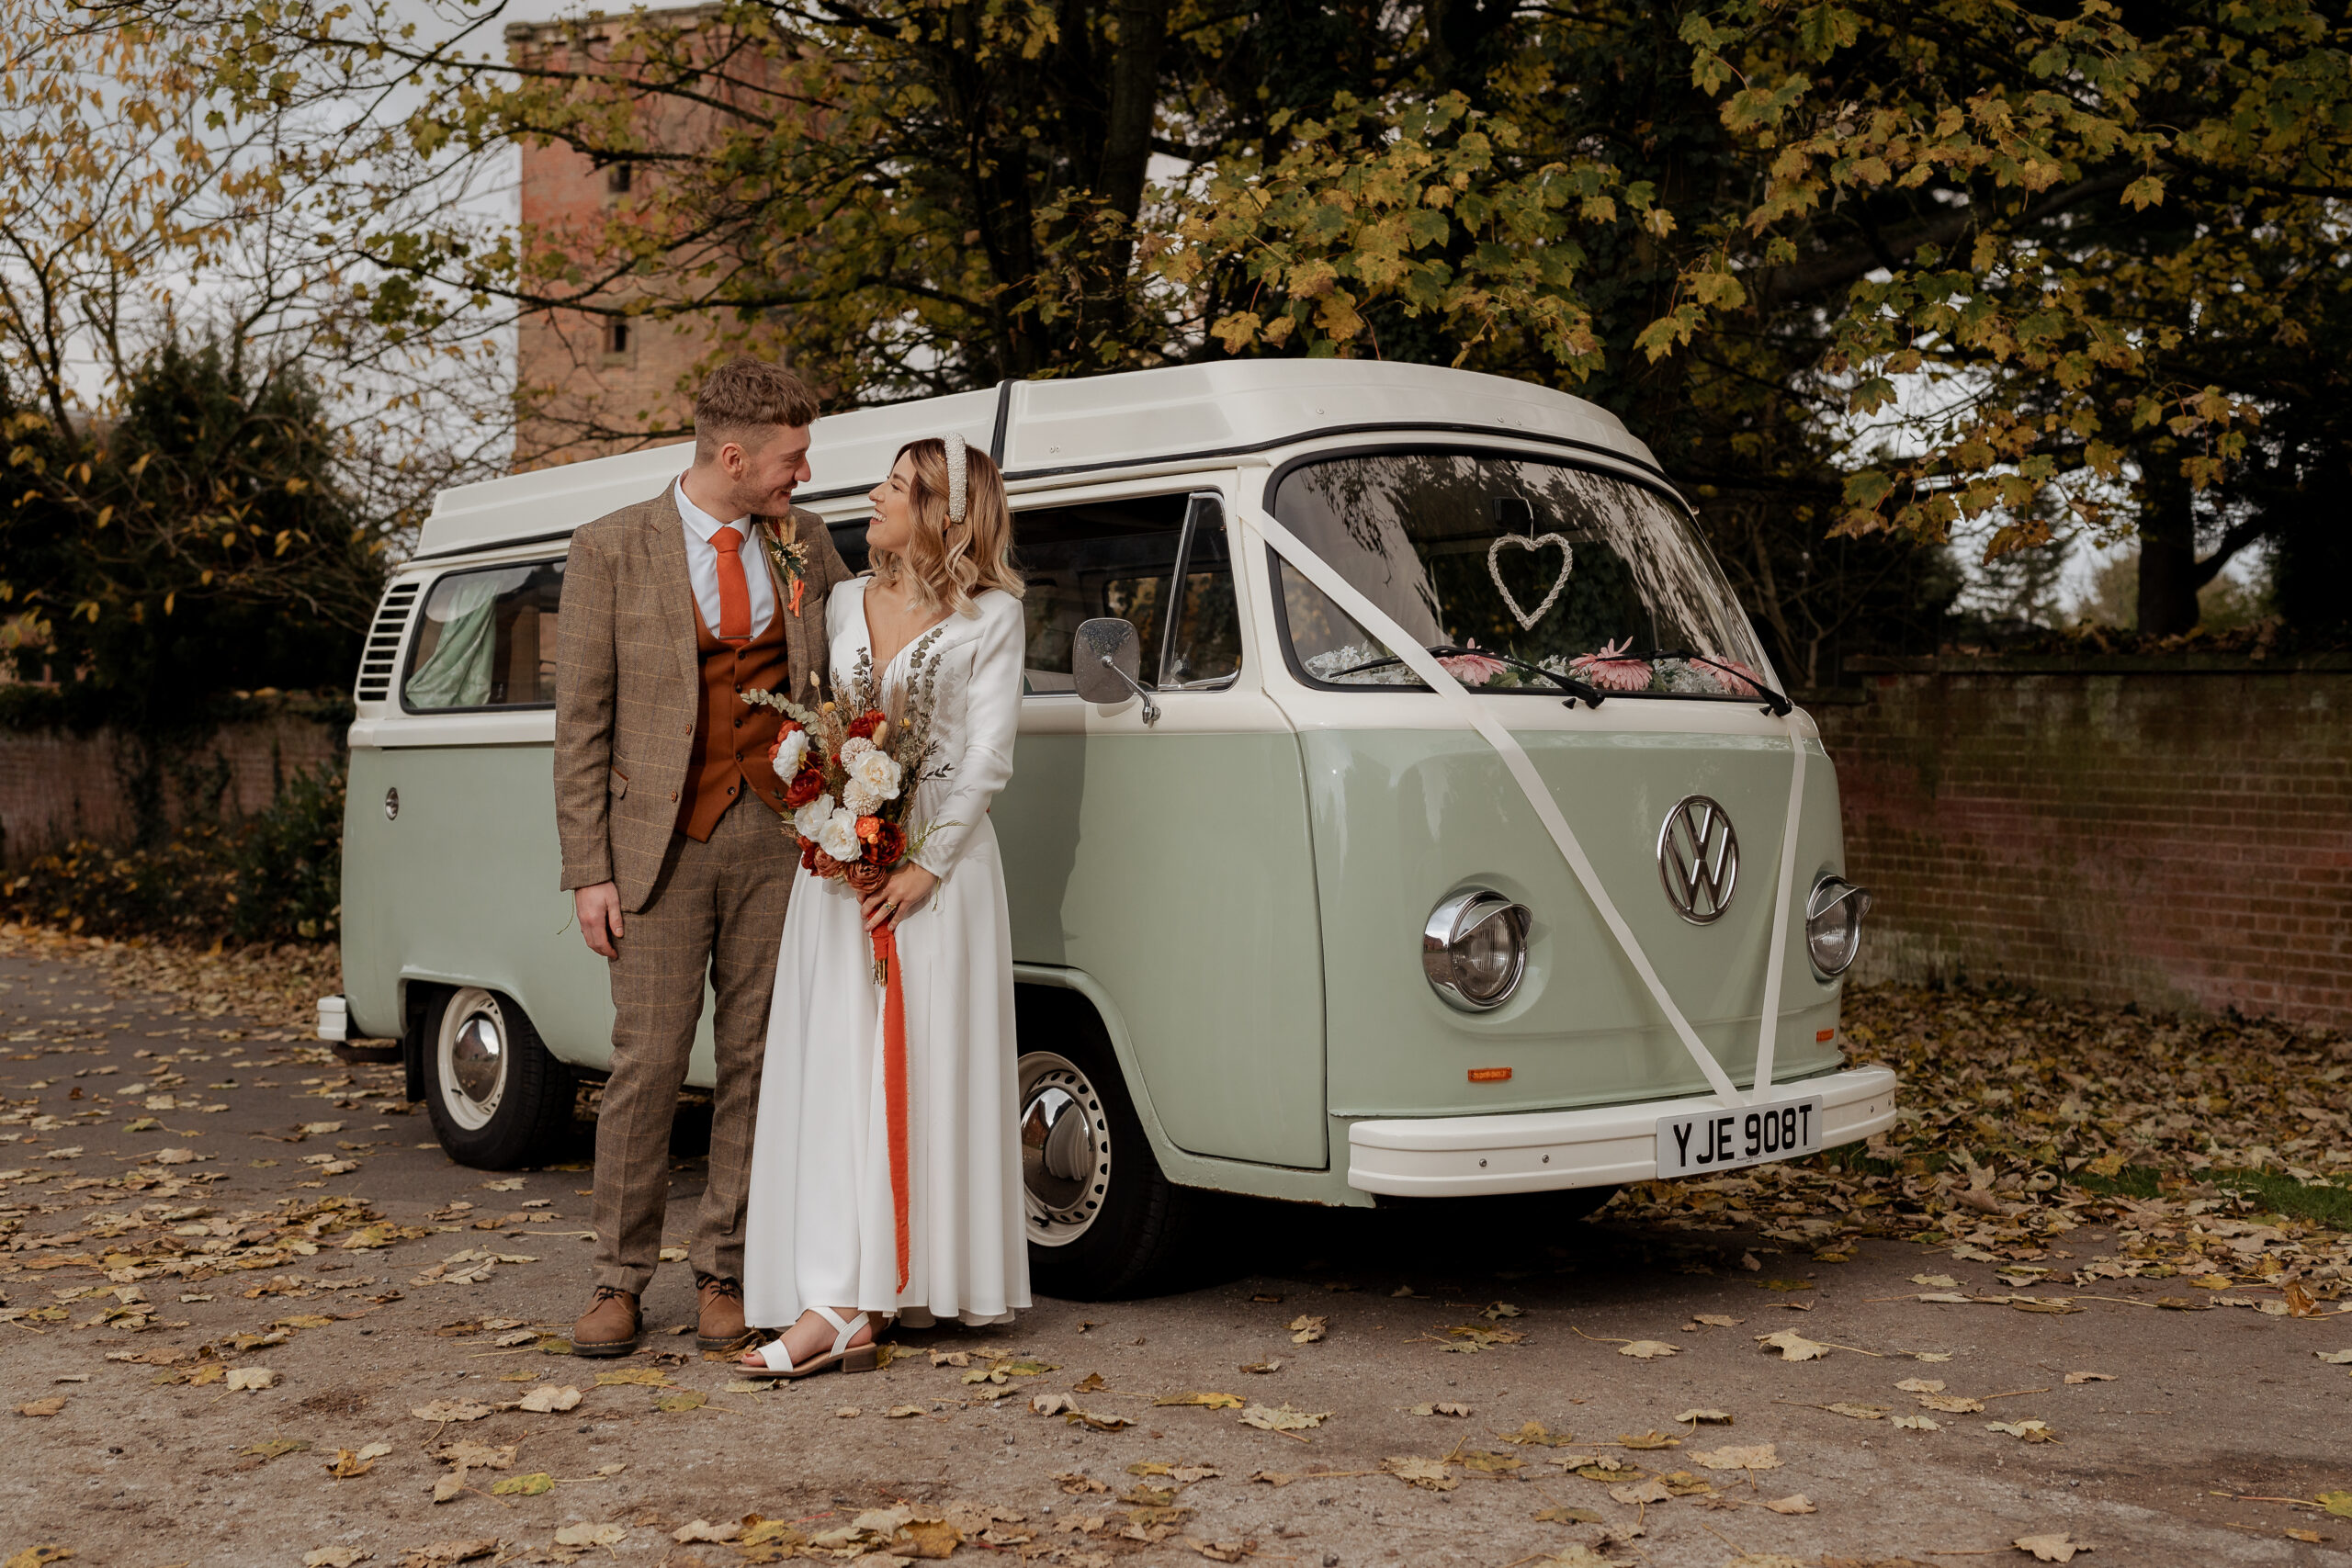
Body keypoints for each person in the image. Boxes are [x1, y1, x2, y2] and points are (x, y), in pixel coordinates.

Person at [553, 360, 856, 1358]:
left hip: (781, 842)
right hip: (658, 848)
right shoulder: (608, 549)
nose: (801, 477)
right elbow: (581, 724)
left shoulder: (804, 542)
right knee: (644, 1065)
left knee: (758, 1064)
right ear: (733, 456)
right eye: (789, 458)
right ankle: (617, 1282)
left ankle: (725, 1270)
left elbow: (855, 661)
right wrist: (587, 869)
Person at [736, 433, 1029, 1376]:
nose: (874, 495)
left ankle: (889, 1289)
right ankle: (836, 1286)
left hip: (938, 884)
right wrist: (829, 826)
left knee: (917, 1071)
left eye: (896, 487)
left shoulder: (994, 617)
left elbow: (986, 755)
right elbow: (825, 720)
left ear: (941, 514)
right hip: (838, 876)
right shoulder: (839, 603)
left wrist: (924, 867)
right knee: (836, 1073)